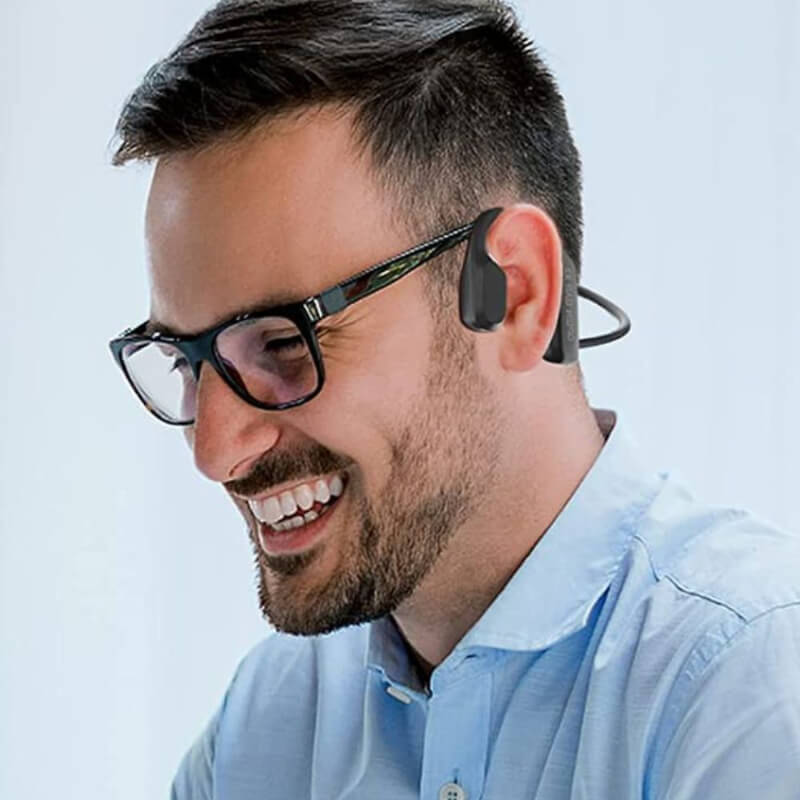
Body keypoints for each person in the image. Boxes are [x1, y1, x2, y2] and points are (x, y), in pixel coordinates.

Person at [108, 1, 800, 797]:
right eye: (187, 360)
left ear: (513, 295)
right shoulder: (270, 724)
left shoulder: (745, 689)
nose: (215, 451)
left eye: (283, 344)